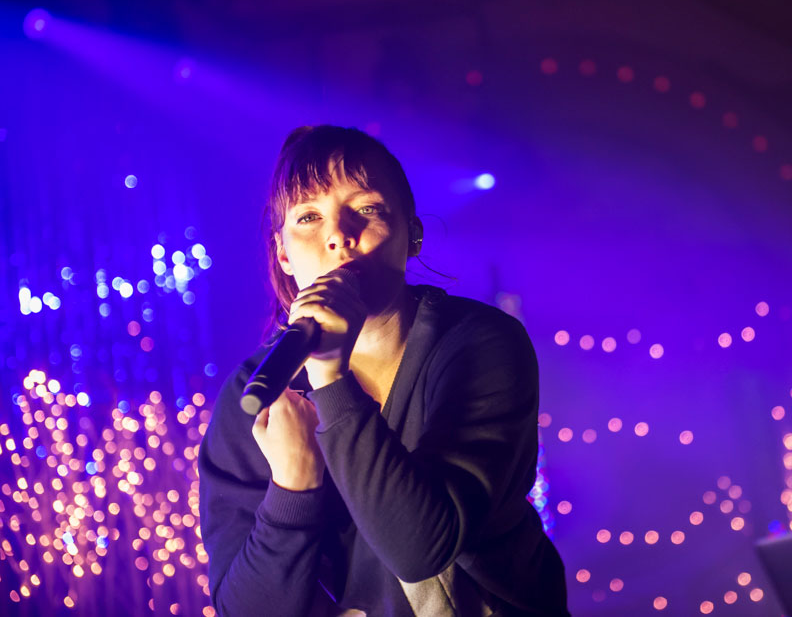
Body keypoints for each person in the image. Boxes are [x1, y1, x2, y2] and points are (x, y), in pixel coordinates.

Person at [197, 126, 569, 616]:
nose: (337, 236)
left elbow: (420, 550)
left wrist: (331, 380)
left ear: (412, 234)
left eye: (367, 209)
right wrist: (292, 487)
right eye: (308, 217)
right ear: (283, 253)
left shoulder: (480, 343)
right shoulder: (260, 389)